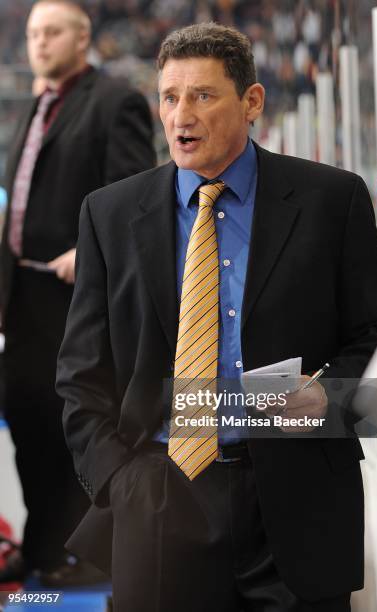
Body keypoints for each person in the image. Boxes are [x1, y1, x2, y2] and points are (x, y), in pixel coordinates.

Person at [56, 22, 377, 611]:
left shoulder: (331, 200)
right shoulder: (108, 214)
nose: (181, 114)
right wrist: (124, 481)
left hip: (296, 499)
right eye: (169, 97)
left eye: (203, 95)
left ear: (252, 102)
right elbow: (80, 374)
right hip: (161, 499)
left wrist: (327, 400)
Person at [0, 0, 156, 586]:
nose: (38, 42)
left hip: (79, 298)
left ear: (83, 36)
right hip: (24, 298)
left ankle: (89, 555)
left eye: (52, 31)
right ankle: (43, 547)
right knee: (29, 419)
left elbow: (134, 199)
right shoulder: (37, 106)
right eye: (34, 32)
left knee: (78, 425)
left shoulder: (115, 102)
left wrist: (88, 254)